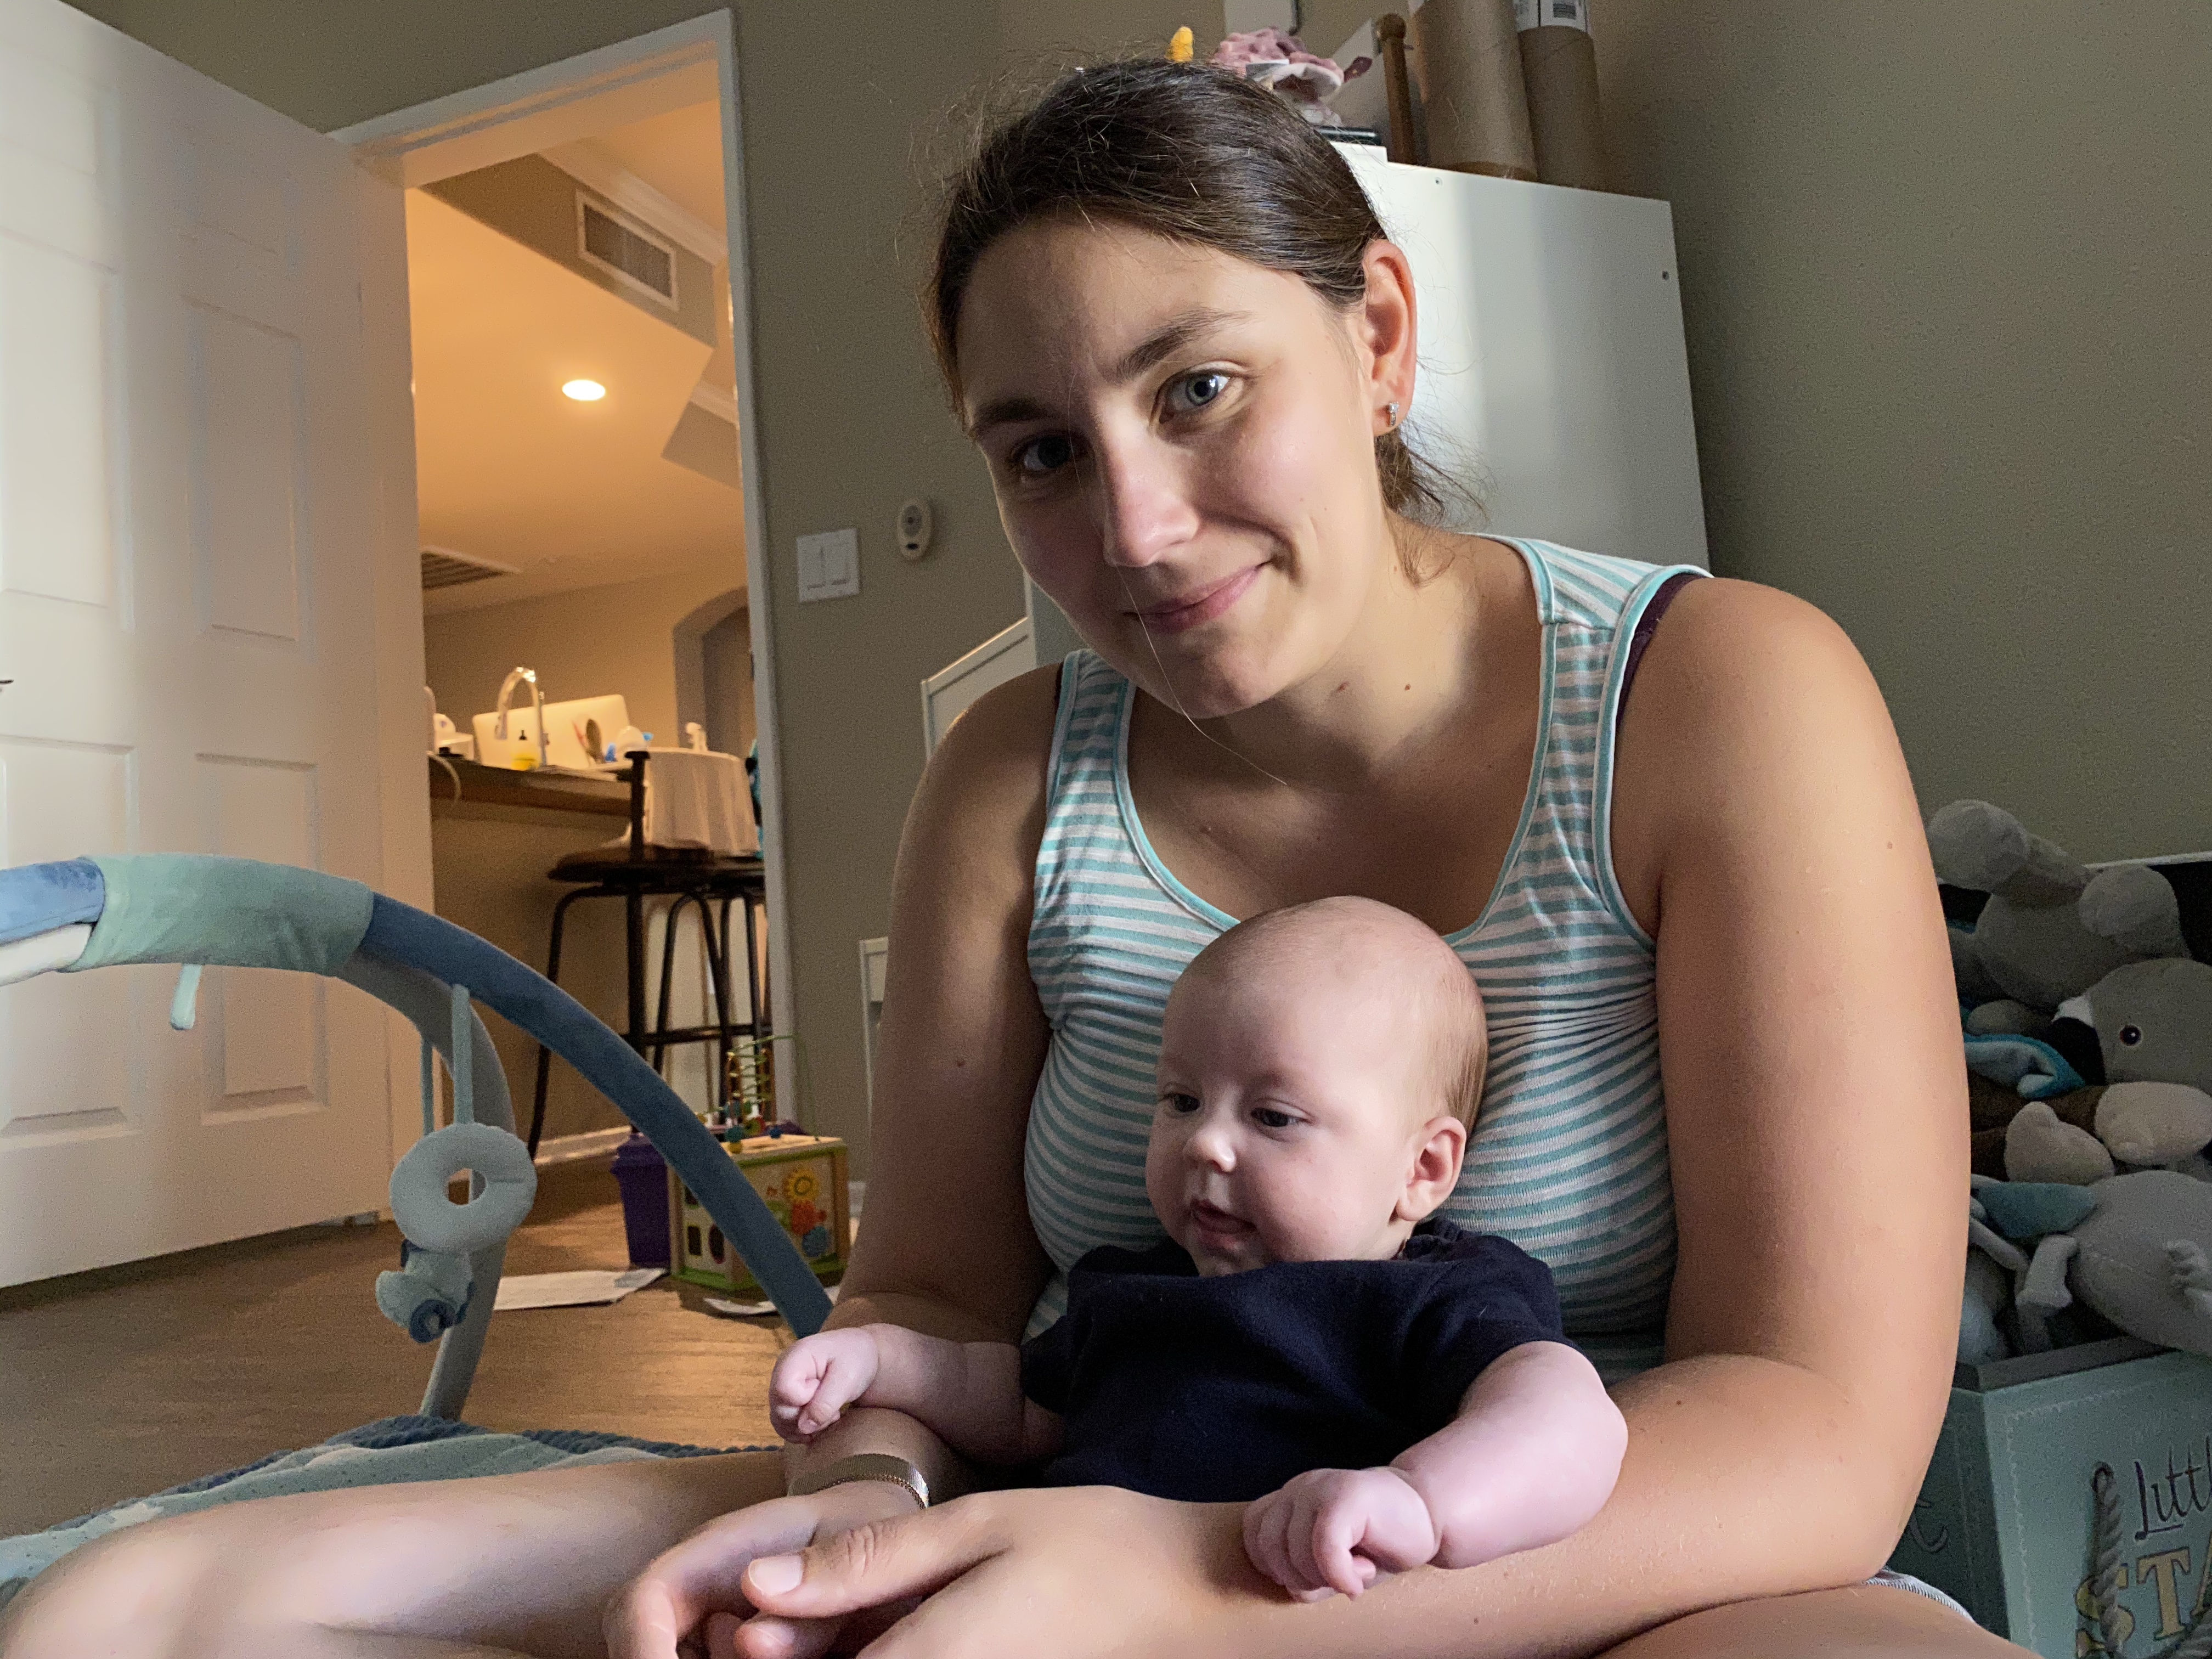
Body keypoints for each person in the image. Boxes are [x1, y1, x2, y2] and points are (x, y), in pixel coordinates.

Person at [1, 57, 2015, 1659]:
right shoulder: (1010, 777)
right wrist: (868, 1511)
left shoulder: (1719, 693)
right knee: (133, 1608)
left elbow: (1819, 1426)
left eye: (1198, 388)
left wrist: (1185, 1591)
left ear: (1380, 336)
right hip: (1059, 1511)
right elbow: (935, 1293)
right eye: (1043, 449)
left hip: (1600, 1574)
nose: (1132, 529)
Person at [768, 898, 1628, 1602]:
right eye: (1182, 1101)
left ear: (1423, 1169)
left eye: (1273, 1117)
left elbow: (1567, 1421)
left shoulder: (1434, 1297)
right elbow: (1021, 1407)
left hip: (1272, 1617)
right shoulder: (1137, 1287)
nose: (1205, 1143)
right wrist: (884, 1361)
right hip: (1056, 1593)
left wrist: (1423, 1502)